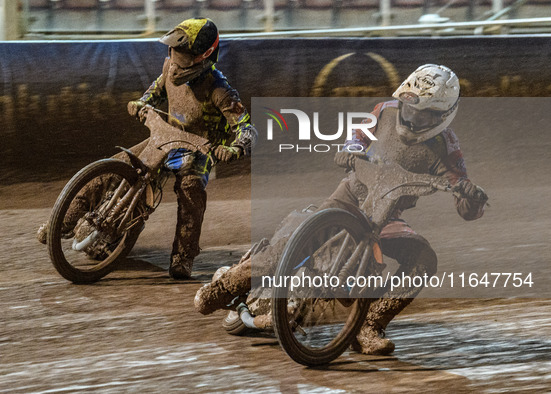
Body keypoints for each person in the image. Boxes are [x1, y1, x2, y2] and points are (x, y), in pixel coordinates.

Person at [194, 64, 488, 355]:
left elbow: (463, 199)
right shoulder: (385, 110)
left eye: (421, 114)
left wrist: (471, 196)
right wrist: (351, 149)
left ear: (442, 115)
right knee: (285, 249)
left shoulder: (447, 146)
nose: (410, 119)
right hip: (347, 198)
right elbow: (358, 136)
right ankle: (223, 288)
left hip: (387, 216)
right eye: (408, 110)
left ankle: (369, 325)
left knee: (424, 259)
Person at [38, 18, 257, 280]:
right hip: (164, 135)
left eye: (184, 55)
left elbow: (247, 128)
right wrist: (141, 103)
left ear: (204, 55)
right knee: (114, 165)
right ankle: (61, 222)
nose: (176, 61)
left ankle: (183, 257)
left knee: (190, 191)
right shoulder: (169, 69)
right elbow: (154, 92)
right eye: (173, 52)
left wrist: (234, 149)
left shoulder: (219, 89)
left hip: (197, 150)